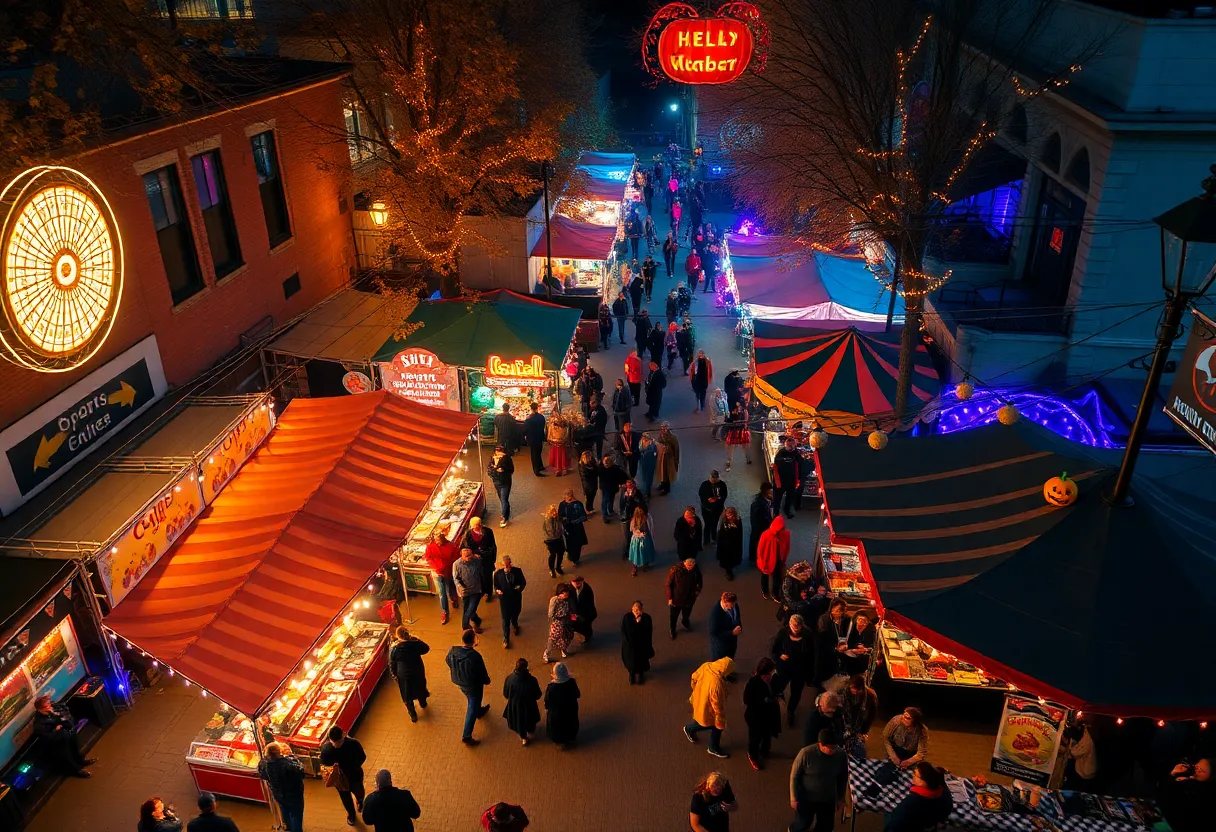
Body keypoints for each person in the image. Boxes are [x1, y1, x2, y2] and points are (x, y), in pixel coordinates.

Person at [789, 730, 849, 832]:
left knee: (826, 826)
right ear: (821, 744)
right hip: (807, 797)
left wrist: (841, 798)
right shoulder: (806, 753)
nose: (834, 751)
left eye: (835, 747)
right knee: (803, 822)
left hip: (827, 798)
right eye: (830, 749)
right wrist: (793, 797)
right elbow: (794, 776)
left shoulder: (841, 755)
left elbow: (843, 777)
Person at [446, 629, 492, 746]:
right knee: (472, 704)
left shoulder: (453, 651)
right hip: (473, 685)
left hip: (460, 682)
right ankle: (466, 735)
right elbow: (481, 672)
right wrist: (486, 680)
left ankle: (478, 711)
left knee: (473, 701)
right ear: (473, 640)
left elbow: (448, 661)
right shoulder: (475, 656)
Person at [31, 695, 95, 778]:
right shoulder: (40, 723)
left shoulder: (55, 708)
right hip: (60, 741)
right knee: (67, 755)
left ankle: (81, 761)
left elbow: (67, 716)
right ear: (40, 709)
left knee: (74, 748)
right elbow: (49, 737)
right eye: (47, 706)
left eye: (49, 704)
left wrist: (58, 717)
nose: (50, 706)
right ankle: (77, 770)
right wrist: (56, 730)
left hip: (69, 733)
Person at [686, 657, 735, 758]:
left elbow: (694, 677)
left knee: (700, 718)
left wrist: (696, 690)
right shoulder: (716, 684)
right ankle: (713, 747)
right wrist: (720, 718)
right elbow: (717, 704)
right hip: (707, 707)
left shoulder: (706, 666)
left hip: (699, 699)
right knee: (715, 726)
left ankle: (691, 729)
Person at [771, 614, 815, 728]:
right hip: (784, 668)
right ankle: (772, 710)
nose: (795, 628)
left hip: (800, 669)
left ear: (802, 626)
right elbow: (774, 649)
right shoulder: (783, 633)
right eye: (793, 625)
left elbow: (812, 655)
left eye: (798, 626)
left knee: (796, 693)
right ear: (789, 624)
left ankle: (791, 711)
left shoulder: (808, 635)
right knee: (778, 688)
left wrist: (810, 676)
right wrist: (780, 655)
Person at [884, 762, 954, 832]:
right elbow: (948, 808)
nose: (912, 775)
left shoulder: (911, 802)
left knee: (888, 812)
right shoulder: (943, 790)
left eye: (915, 773)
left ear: (923, 782)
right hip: (929, 824)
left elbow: (894, 825)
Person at [319, 726, 367, 826]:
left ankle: (360, 802)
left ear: (344, 736)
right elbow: (324, 765)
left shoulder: (353, 744)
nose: (337, 744)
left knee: (358, 792)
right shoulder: (326, 749)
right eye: (334, 742)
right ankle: (351, 814)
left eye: (339, 741)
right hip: (341, 779)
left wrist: (355, 766)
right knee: (346, 797)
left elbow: (362, 757)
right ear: (330, 740)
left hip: (354, 775)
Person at [743, 657, 781, 771]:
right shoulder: (753, 683)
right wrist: (765, 700)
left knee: (767, 734)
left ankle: (765, 751)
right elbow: (746, 700)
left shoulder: (774, 679)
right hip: (755, 716)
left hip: (769, 714)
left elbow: (778, 690)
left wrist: (778, 697)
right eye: (772, 671)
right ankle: (752, 755)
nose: (774, 673)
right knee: (755, 738)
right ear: (765, 673)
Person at [258, 743, 305, 832]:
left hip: (278, 794)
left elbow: (263, 776)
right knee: (296, 815)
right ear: (279, 752)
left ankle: (288, 827)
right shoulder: (288, 764)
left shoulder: (263, 764)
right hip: (294, 794)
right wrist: (292, 757)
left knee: (284, 810)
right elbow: (301, 772)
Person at [1161, 758, 1214, 832]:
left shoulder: (1201, 793)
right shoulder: (1189, 778)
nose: (1197, 770)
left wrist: (1176, 780)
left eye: (1201, 771)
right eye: (1197, 766)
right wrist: (1174, 773)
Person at [389, 626, 430, 721]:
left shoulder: (395, 648)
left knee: (406, 692)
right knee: (420, 686)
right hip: (417, 669)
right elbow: (426, 649)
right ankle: (423, 702)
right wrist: (416, 639)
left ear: (398, 635)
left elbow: (392, 663)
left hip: (403, 673)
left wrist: (394, 675)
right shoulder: (414, 643)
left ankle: (413, 714)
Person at [501, 658, 543, 745]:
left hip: (515, 706)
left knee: (519, 721)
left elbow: (505, 694)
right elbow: (538, 695)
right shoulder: (532, 680)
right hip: (529, 705)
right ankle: (530, 730)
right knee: (530, 720)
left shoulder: (509, 679)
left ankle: (523, 737)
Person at [423, 529, 461, 625]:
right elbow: (428, 557)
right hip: (438, 573)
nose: (437, 542)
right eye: (436, 540)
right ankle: (445, 611)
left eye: (439, 540)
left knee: (451, 587)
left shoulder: (452, 546)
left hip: (449, 571)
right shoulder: (430, 547)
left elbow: (456, 558)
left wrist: (449, 566)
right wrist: (436, 566)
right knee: (442, 592)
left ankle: (454, 599)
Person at [815, 599, 852, 686]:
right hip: (827, 652)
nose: (840, 614)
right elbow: (823, 640)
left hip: (840, 649)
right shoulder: (824, 620)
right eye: (838, 611)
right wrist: (835, 648)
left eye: (842, 611)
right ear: (832, 608)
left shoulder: (845, 619)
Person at [493, 556, 527, 648]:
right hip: (504, 600)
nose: (508, 568)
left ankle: (515, 624)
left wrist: (519, 588)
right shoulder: (497, 574)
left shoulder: (517, 571)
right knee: (505, 619)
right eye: (506, 566)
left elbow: (523, 582)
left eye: (509, 565)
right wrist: (498, 591)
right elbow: (496, 586)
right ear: (501, 565)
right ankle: (506, 638)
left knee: (516, 613)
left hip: (515, 597)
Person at [545, 662, 581, 747]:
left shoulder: (552, 687)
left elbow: (547, 700)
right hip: (570, 708)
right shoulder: (571, 682)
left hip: (556, 711)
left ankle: (560, 740)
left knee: (557, 725)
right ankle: (570, 737)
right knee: (570, 722)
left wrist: (547, 707)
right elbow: (577, 694)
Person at [665, 557, 703, 637]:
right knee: (674, 616)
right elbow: (669, 584)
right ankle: (673, 629)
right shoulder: (675, 570)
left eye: (692, 565)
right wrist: (670, 598)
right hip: (676, 599)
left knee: (686, 614)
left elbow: (700, 582)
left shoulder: (695, 569)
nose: (690, 567)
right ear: (684, 562)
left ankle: (685, 622)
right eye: (689, 565)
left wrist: (696, 593)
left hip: (689, 598)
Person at [463, 517, 498, 604]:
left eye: (478, 525)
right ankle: (482, 591)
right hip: (476, 560)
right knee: (479, 576)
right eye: (475, 526)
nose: (476, 527)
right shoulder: (469, 534)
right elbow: (469, 547)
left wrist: (490, 557)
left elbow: (493, 546)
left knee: (488, 576)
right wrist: (474, 554)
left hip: (487, 559)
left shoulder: (488, 532)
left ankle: (488, 593)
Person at [842, 674, 879, 754]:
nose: (853, 690)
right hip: (846, 722)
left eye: (855, 689)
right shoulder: (846, 692)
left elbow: (871, 715)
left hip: (860, 725)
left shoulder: (870, 696)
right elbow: (843, 709)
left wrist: (864, 731)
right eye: (852, 688)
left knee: (858, 748)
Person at [757, 514, 791, 602]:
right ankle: (765, 590)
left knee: (777, 577)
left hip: (778, 560)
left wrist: (784, 559)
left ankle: (775, 593)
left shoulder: (785, 534)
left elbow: (787, 547)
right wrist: (763, 562)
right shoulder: (765, 535)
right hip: (767, 561)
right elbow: (760, 551)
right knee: (765, 576)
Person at [621, 600, 655, 685]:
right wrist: (626, 642)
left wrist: (639, 623)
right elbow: (624, 631)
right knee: (631, 663)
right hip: (630, 647)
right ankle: (631, 675)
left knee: (641, 662)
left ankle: (640, 674)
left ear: (642, 610)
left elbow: (648, 633)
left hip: (641, 647)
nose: (637, 611)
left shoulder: (647, 619)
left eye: (639, 609)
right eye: (635, 609)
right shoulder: (627, 618)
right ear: (631, 609)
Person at [453, 548, 485, 633]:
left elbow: (481, 572)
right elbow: (456, 579)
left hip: (476, 590)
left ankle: (465, 627)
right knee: (469, 610)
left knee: (470, 609)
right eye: (466, 556)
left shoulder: (476, 561)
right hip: (465, 591)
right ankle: (476, 621)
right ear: (461, 555)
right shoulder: (456, 564)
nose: (468, 558)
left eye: (470, 555)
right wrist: (460, 587)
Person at [557, 489, 589, 567]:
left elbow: (584, 517)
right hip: (570, 528)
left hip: (573, 528)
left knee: (575, 544)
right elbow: (559, 517)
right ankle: (573, 558)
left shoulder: (576, 504)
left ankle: (574, 558)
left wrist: (573, 521)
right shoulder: (564, 504)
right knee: (573, 544)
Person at [543, 584, 575, 663]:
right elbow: (550, 614)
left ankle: (563, 650)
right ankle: (546, 653)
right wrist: (558, 618)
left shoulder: (568, 600)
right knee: (553, 638)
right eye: (564, 593)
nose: (566, 595)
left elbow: (572, 610)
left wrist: (572, 617)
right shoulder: (555, 600)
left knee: (567, 636)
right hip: (557, 622)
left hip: (566, 621)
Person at [773, 437, 802, 519]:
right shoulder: (781, 453)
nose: (791, 447)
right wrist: (777, 482)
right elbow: (775, 468)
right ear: (786, 445)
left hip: (791, 480)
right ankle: (776, 512)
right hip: (782, 480)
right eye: (790, 445)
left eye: (793, 445)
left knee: (790, 497)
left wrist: (797, 480)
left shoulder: (795, 453)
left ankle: (787, 510)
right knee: (778, 497)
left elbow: (800, 462)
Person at [708, 591, 742, 660]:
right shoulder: (715, 613)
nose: (730, 608)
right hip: (721, 646)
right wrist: (732, 633)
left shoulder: (734, 605)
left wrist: (739, 626)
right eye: (728, 606)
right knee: (720, 665)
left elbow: (737, 617)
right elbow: (714, 632)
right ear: (724, 601)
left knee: (730, 660)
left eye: (732, 606)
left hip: (732, 642)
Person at [843, 610, 877, 676]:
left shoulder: (870, 631)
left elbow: (872, 645)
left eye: (864, 622)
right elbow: (848, 643)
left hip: (864, 657)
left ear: (867, 624)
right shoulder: (851, 629)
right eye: (859, 620)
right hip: (852, 656)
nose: (861, 624)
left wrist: (866, 649)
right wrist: (857, 646)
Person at [487, 445, 514, 527]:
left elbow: (511, 470)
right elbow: (489, 471)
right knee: (503, 500)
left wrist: (503, 470)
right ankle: (507, 512)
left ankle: (503, 517)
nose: (499, 455)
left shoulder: (507, 459)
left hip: (505, 482)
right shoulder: (492, 459)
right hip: (496, 482)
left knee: (503, 499)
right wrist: (495, 469)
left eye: (501, 453)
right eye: (497, 453)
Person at [698, 471, 727, 544]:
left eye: (715, 478)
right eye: (712, 477)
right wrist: (707, 500)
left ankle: (714, 537)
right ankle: (706, 540)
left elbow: (724, 495)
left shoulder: (722, 485)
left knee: (714, 523)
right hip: (706, 509)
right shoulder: (704, 485)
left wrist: (717, 499)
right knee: (707, 524)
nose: (713, 479)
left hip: (717, 509)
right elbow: (701, 495)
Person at [748, 482, 774, 565]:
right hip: (760, 527)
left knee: (755, 541)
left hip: (757, 526)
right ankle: (757, 558)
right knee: (759, 542)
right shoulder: (761, 504)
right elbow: (764, 517)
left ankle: (753, 556)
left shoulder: (760, 500)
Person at [627, 506, 657, 577]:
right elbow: (632, 530)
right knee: (637, 554)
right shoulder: (634, 520)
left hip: (646, 538)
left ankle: (644, 564)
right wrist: (640, 534)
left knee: (645, 552)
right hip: (637, 540)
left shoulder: (647, 517)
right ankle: (635, 567)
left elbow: (651, 526)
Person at [597, 454, 628, 522]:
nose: (606, 462)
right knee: (605, 500)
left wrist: (622, 483)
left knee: (610, 499)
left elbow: (622, 475)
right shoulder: (601, 468)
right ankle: (605, 515)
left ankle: (610, 510)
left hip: (612, 487)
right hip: (607, 487)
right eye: (605, 461)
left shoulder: (614, 468)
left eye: (607, 461)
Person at [723, 402, 752, 471]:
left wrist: (741, 423)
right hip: (733, 431)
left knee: (746, 446)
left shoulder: (744, 411)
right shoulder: (732, 410)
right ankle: (728, 461)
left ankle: (748, 459)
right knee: (730, 447)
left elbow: (746, 421)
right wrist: (730, 421)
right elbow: (727, 419)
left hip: (742, 431)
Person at [569, 575, 598, 642]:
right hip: (574, 614)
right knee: (576, 626)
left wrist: (587, 616)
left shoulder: (587, 589)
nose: (576, 583)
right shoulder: (569, 589)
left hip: (585, 614)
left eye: (578, 581)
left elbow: (590, 603)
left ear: (582, 581)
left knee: (586, 627)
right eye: (574, 582)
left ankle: (587, 637)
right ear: (571, 582)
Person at [522, 402, 547, 477]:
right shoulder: (541, 417)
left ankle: (536, 470)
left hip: (532, 438)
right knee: (539, 452)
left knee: (534, 454)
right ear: (537, 408)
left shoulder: (529, 419)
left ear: (531, 409)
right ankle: (540, 466)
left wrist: (524, 435)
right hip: (540, 437)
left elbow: (525, 429)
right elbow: (543, 426)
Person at [542, 503, 566, 578]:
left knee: (561, 553)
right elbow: (552, 532)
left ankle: (558, 567)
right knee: (553, 554)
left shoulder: (557, 517)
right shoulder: (548, 520)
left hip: (558, 538)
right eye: (554, 512)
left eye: (556, 512)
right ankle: (552, 569)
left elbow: (562, 521)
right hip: (551, 541)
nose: (555, 514)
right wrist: (560, 530)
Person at [656, 422, 680, 494]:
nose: (663, 429)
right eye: (662, 428)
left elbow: (676, 449)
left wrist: (676, 459)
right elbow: (658, 444)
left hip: (669, 458)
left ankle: (667, 488)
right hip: (661, 457)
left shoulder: (672, 437)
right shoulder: (660, 435)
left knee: (667, 472)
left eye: (665, 428)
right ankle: (662, 483)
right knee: (662, 471)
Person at [546, 411, 571, 476]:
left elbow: (549, 434)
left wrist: (549, 440)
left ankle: (558, 469)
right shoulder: (565, 426)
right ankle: (564, 469)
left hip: (555, 444)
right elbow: (567, 435)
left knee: (556, 457)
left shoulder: (552, 425)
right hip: (562, 444)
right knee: (563, 456)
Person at [587, 395, 608, 460]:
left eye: (592, 404)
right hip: (594, 430)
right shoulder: (593, 409)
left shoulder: (601, 410)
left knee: (599, 446)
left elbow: (600, 421)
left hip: (599, 431)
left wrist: (592, 423)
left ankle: (599, 459)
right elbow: (590, 416)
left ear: (595, 403)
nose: (591, 406)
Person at [637, 432, 658, 497]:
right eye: (643, 437)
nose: (644, 438)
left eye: (645, 437)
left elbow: (654, 452)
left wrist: (646, 451)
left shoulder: (652, 443)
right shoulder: (640, 442)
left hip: (650, 462)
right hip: (643, 461)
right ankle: (646, 488)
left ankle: (647, 491)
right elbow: (639, 450)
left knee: (649, 476)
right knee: (644, 476)